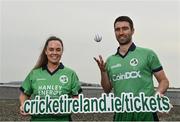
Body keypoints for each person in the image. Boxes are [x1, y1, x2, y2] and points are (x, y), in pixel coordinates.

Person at [94, 16, 169, 121]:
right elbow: (107, 89)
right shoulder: (110, 60)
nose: (121, 32)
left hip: (146, 113)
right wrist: (103, 72)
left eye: (125, 28)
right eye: (117, 29)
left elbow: (164, 81)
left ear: (132, 31)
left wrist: (157, 94)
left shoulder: (148, 54)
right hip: (121, 114)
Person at [19, 36, 82, 121]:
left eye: (58, 50)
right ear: (46, 51)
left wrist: (72, 107)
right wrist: (24, 105)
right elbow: (24, 94)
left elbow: (76, 98)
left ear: (62, 52)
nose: (54, 53)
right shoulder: (35, 73)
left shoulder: (70, 74)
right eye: (51, 49)